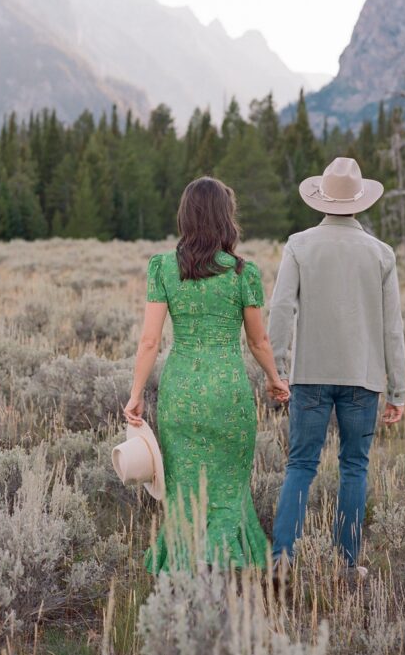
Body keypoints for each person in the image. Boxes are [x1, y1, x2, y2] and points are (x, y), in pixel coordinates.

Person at [124, 176, 290, 573]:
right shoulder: (242, 273)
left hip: (181, 390)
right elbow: (259, 340)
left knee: (182, 490)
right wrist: (274, 378)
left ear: (186, 216)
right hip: (228, 392)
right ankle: (227, 564)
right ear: (225, 218)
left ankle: (185, 562)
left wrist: (136, 393)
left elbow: (149, 341)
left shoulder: (163, 267)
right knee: (229, 486)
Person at [267, 156, 405, 578]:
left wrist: (277, 369)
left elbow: (280, 310)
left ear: (322, 200)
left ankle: (281, 561)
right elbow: (392, 329)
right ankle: (345, 566)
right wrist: (398, 390)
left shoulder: (299, 245)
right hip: (362, 380)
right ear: (359, 202)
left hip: (308, 376)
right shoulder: (381, 254)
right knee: (353, 468)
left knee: (300, 465)